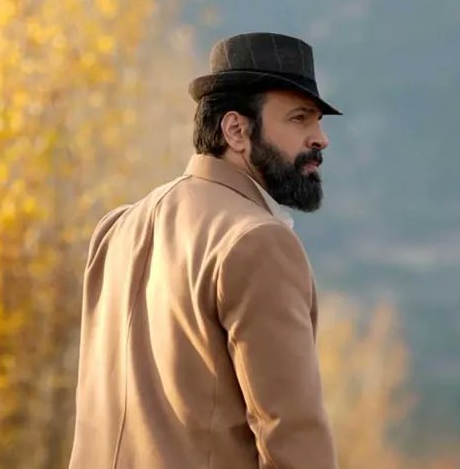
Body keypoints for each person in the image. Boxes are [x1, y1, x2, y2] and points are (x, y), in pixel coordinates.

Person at [69, 32, 341, 468]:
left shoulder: (117, 228)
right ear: (236, 130)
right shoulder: (258, 241)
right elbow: (293, 437)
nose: (320, 138)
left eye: (318, 121)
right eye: (299, 118)